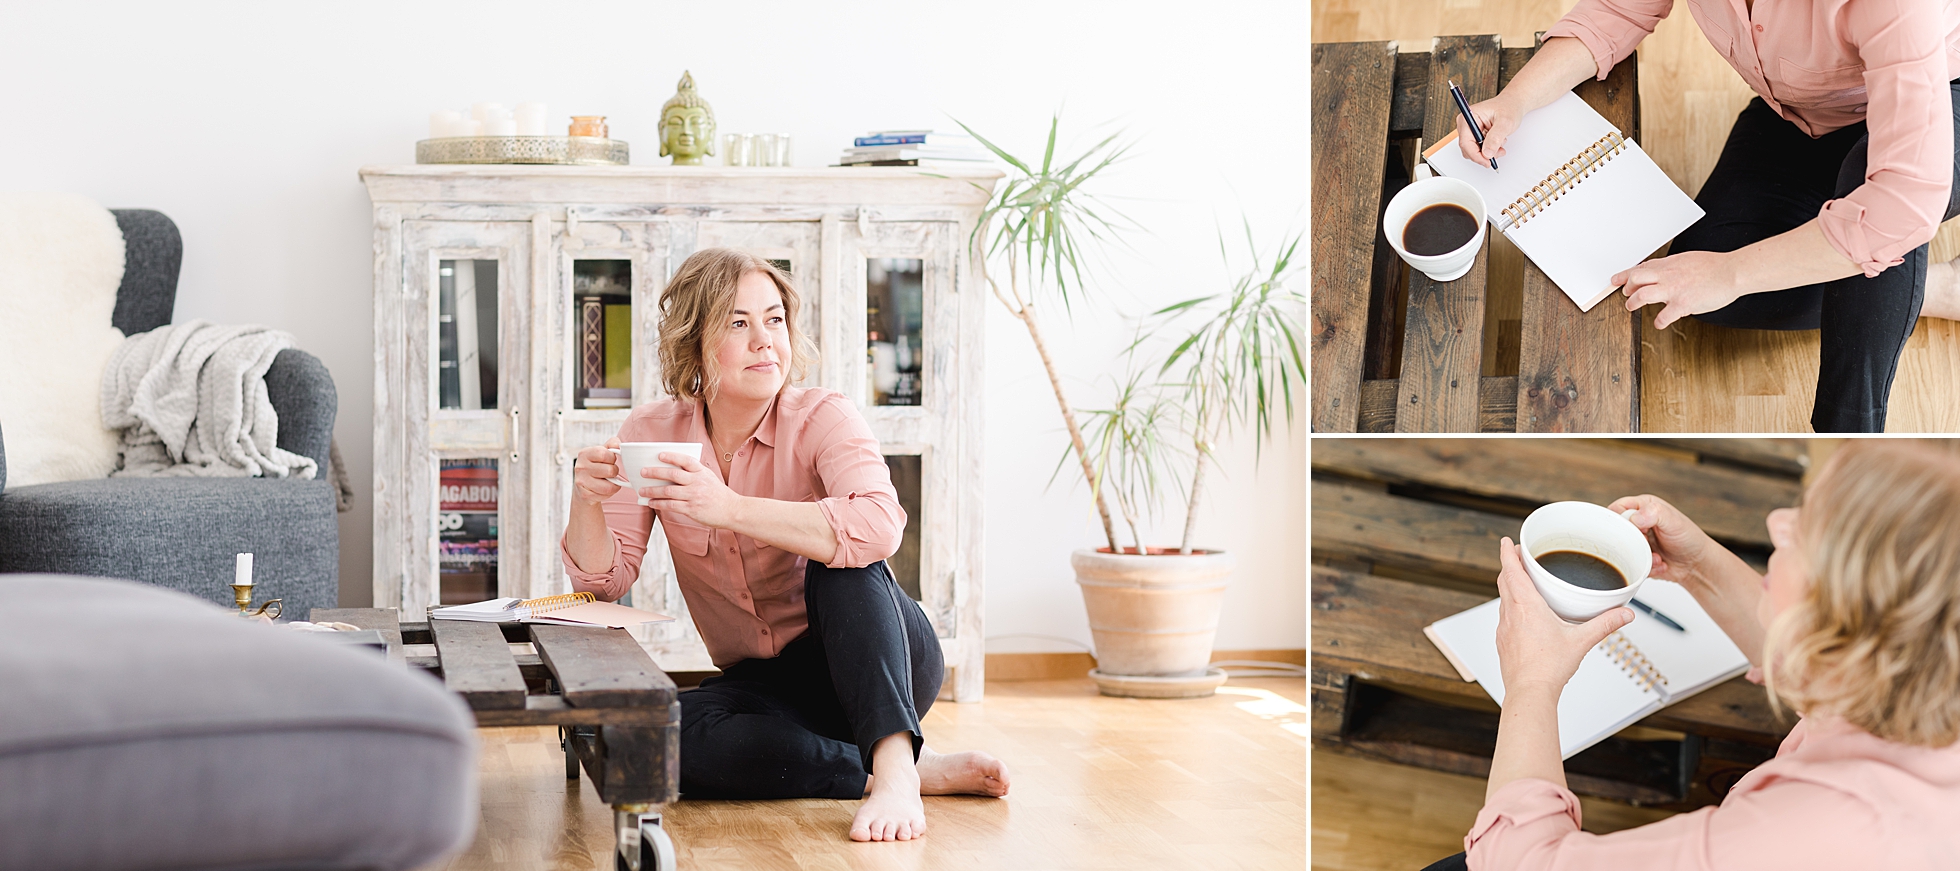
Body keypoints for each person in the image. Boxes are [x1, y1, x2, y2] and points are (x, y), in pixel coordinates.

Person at [560, 247, 1009, 842]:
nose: (764, 340)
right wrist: (586, 500)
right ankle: (889, 770)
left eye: (774, 320)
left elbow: (881, 523)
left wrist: (730, 508)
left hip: (878, 656)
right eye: (738, 323)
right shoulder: (651, 433)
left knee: (842, 558)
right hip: (768, 684)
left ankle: (897, 762)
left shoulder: (824, 416)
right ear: (694, 342)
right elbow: (601, 584)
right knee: (655, 739)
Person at [1417, 439, 1960, 870]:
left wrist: (1531, 682)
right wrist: (1697, 567)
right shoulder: (1927, 679)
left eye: (1811, 528)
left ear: (1857, 601)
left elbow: (1520, 863)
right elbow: (1818, 668)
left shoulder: (1818, 831)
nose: (1777, 522)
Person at [1455, 0, 1960, 432]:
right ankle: (1935, 288)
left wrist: (1731, 272)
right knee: (1698, 285)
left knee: (1864, 212)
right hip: (1810, 113)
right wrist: (1515, 100)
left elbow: (1901, 202)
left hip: (1944, 99)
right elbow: (1619, 8)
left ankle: (1848, 439)